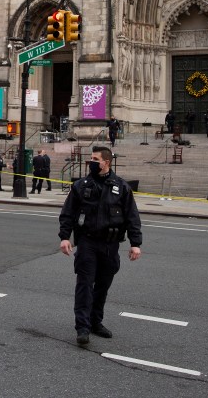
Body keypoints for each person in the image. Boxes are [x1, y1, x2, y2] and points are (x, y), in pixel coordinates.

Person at [59, 146, 142, 346]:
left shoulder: (121, 187)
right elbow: (68, 212)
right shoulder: (81, 185)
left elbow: (132, 216)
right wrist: (64, 237)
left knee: (103, 286)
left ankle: (96, 322)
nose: (92, 162)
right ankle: (83, 328)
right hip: (87, 242)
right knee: (85, 285)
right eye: (91, 158)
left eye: (95, 159)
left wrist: (135, 243)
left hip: (110, 244)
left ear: (106, 162)